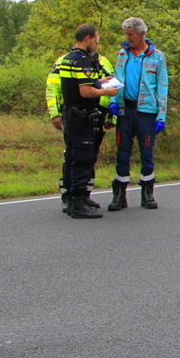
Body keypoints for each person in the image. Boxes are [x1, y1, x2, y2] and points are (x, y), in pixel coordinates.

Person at [58, 24, 119, 219]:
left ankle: (78, 198)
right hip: (81, 116)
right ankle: (77, 202)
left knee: (74, 157)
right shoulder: (83, 61)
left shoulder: (68, 58)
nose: (96, 44)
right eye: (96, 40)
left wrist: (98, 81)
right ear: (87, 38)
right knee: (82, 159)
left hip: (71, 114)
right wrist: (105, 91)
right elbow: (84, 92)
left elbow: (74, 85)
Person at [108, 17, 168, 211]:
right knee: (122, 151)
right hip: (125, 110)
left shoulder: (157, 56)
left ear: (142, 33)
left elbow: (162, 86)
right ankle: (119, 195)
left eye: (131, 34)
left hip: (147, 112)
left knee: (146, 152)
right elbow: (116, 79)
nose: (128, 38)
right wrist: (112, 101)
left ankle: (147, 193)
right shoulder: (122, 54)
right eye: (126, 34)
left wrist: (161, 116)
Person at [47, 48, 116, 213]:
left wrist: (111, 116)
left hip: (98, 114)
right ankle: (69, 196)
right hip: (76, 113)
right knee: (74, 155)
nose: (97, 44)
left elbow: (113, 87)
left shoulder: (103, 61)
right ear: (88, 39)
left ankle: (84, 194)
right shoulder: (67, 60)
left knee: (89, 157)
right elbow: (53, 87)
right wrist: (55, 114)